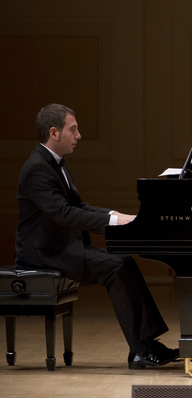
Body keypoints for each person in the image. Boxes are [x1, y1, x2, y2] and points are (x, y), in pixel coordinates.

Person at [15, 103, 178, 369]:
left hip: (59, 246)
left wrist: (117, 215)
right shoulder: (37, 168)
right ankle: (139, 350)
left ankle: (147, 343)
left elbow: (79, 206)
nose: (78, 135)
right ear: (54, 133)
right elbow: (63, 214)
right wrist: (112, 222)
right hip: (44, 252)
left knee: (124, 262)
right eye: (73, 129)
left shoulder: (54, 163)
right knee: (117, 266)